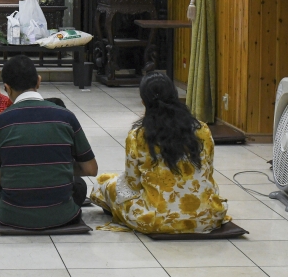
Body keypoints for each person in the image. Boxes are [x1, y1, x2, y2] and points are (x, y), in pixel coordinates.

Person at [91, 72, 229, 234]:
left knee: (104, 183)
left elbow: (132, 184)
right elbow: (207, 173)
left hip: (155, 221)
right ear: (175, 95)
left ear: (143, 101)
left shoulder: (138, 136)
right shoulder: (202, 130)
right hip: (207, 219)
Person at [0, 56, 98, 230]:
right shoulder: (66, 116)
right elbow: (91, 169)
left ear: (6, 88)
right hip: (64, 215)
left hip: (12, 214)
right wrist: (58, 166)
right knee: (79, 185)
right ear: (39, 81)